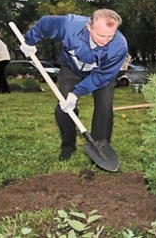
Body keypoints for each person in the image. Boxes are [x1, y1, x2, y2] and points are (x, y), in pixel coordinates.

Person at [20, 9, 128, 161]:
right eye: (101, 35)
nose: (105, 40)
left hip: (99, 75)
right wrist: (29, 42)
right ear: (89, 27)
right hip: (71, 68)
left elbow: (102, 76)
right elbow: (45, 23)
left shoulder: (119, 46)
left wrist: (77, 93)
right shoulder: (70, 26)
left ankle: (100, 148)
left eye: (110, 36)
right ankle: (68, 147)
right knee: (63, 108)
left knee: (104, 105)